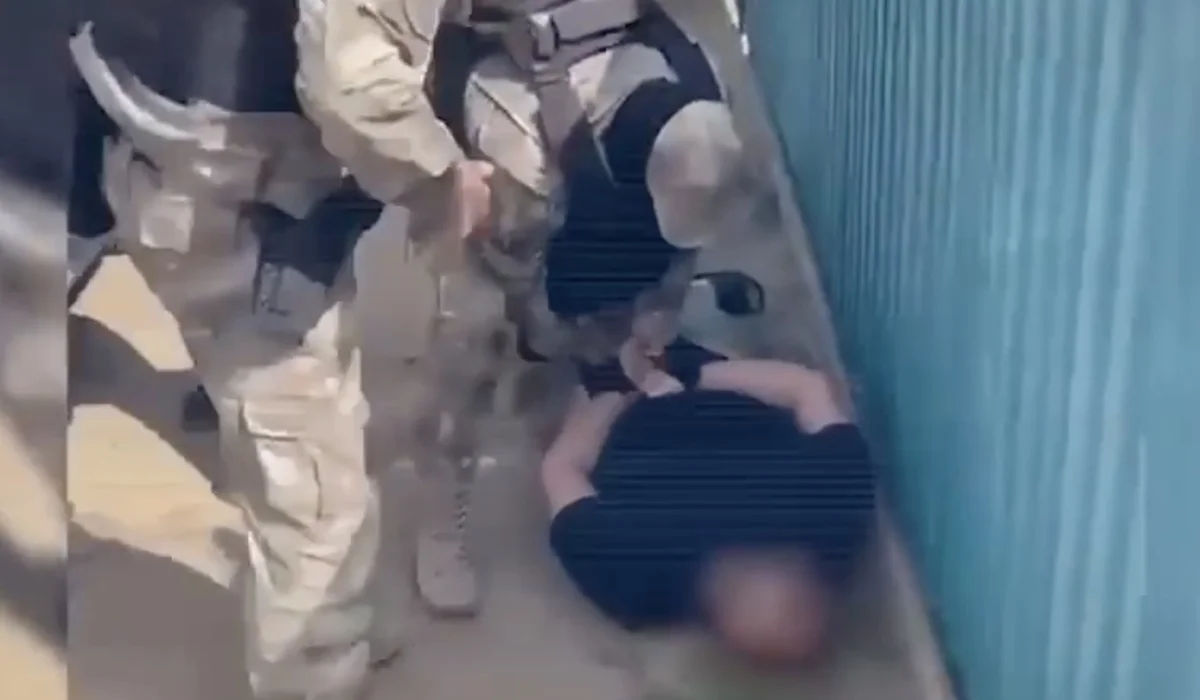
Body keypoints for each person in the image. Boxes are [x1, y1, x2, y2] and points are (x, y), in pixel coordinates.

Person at [294, 0, 758, 622]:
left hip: (620, 45)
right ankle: (442, 517)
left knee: (700, 159)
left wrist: (661, 303)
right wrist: (436, 170)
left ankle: (621, 332)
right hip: (499, 68)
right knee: (475, 323)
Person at [67, 2, 412, 698]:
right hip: (232, 175)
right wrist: (443, 181)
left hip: (156, 109)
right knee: (307, 480)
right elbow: (357, 91)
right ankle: (312, 671)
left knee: (318, 431)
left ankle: (341, 624)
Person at [542, 332, 877, 664]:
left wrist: (616, 389)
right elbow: (808, 387)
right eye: (796, 606)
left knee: (585, 342)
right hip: (713, 382)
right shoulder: (833, 516)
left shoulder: (634, 580)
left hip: (620, 415)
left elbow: (564, 467)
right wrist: (689, 372)